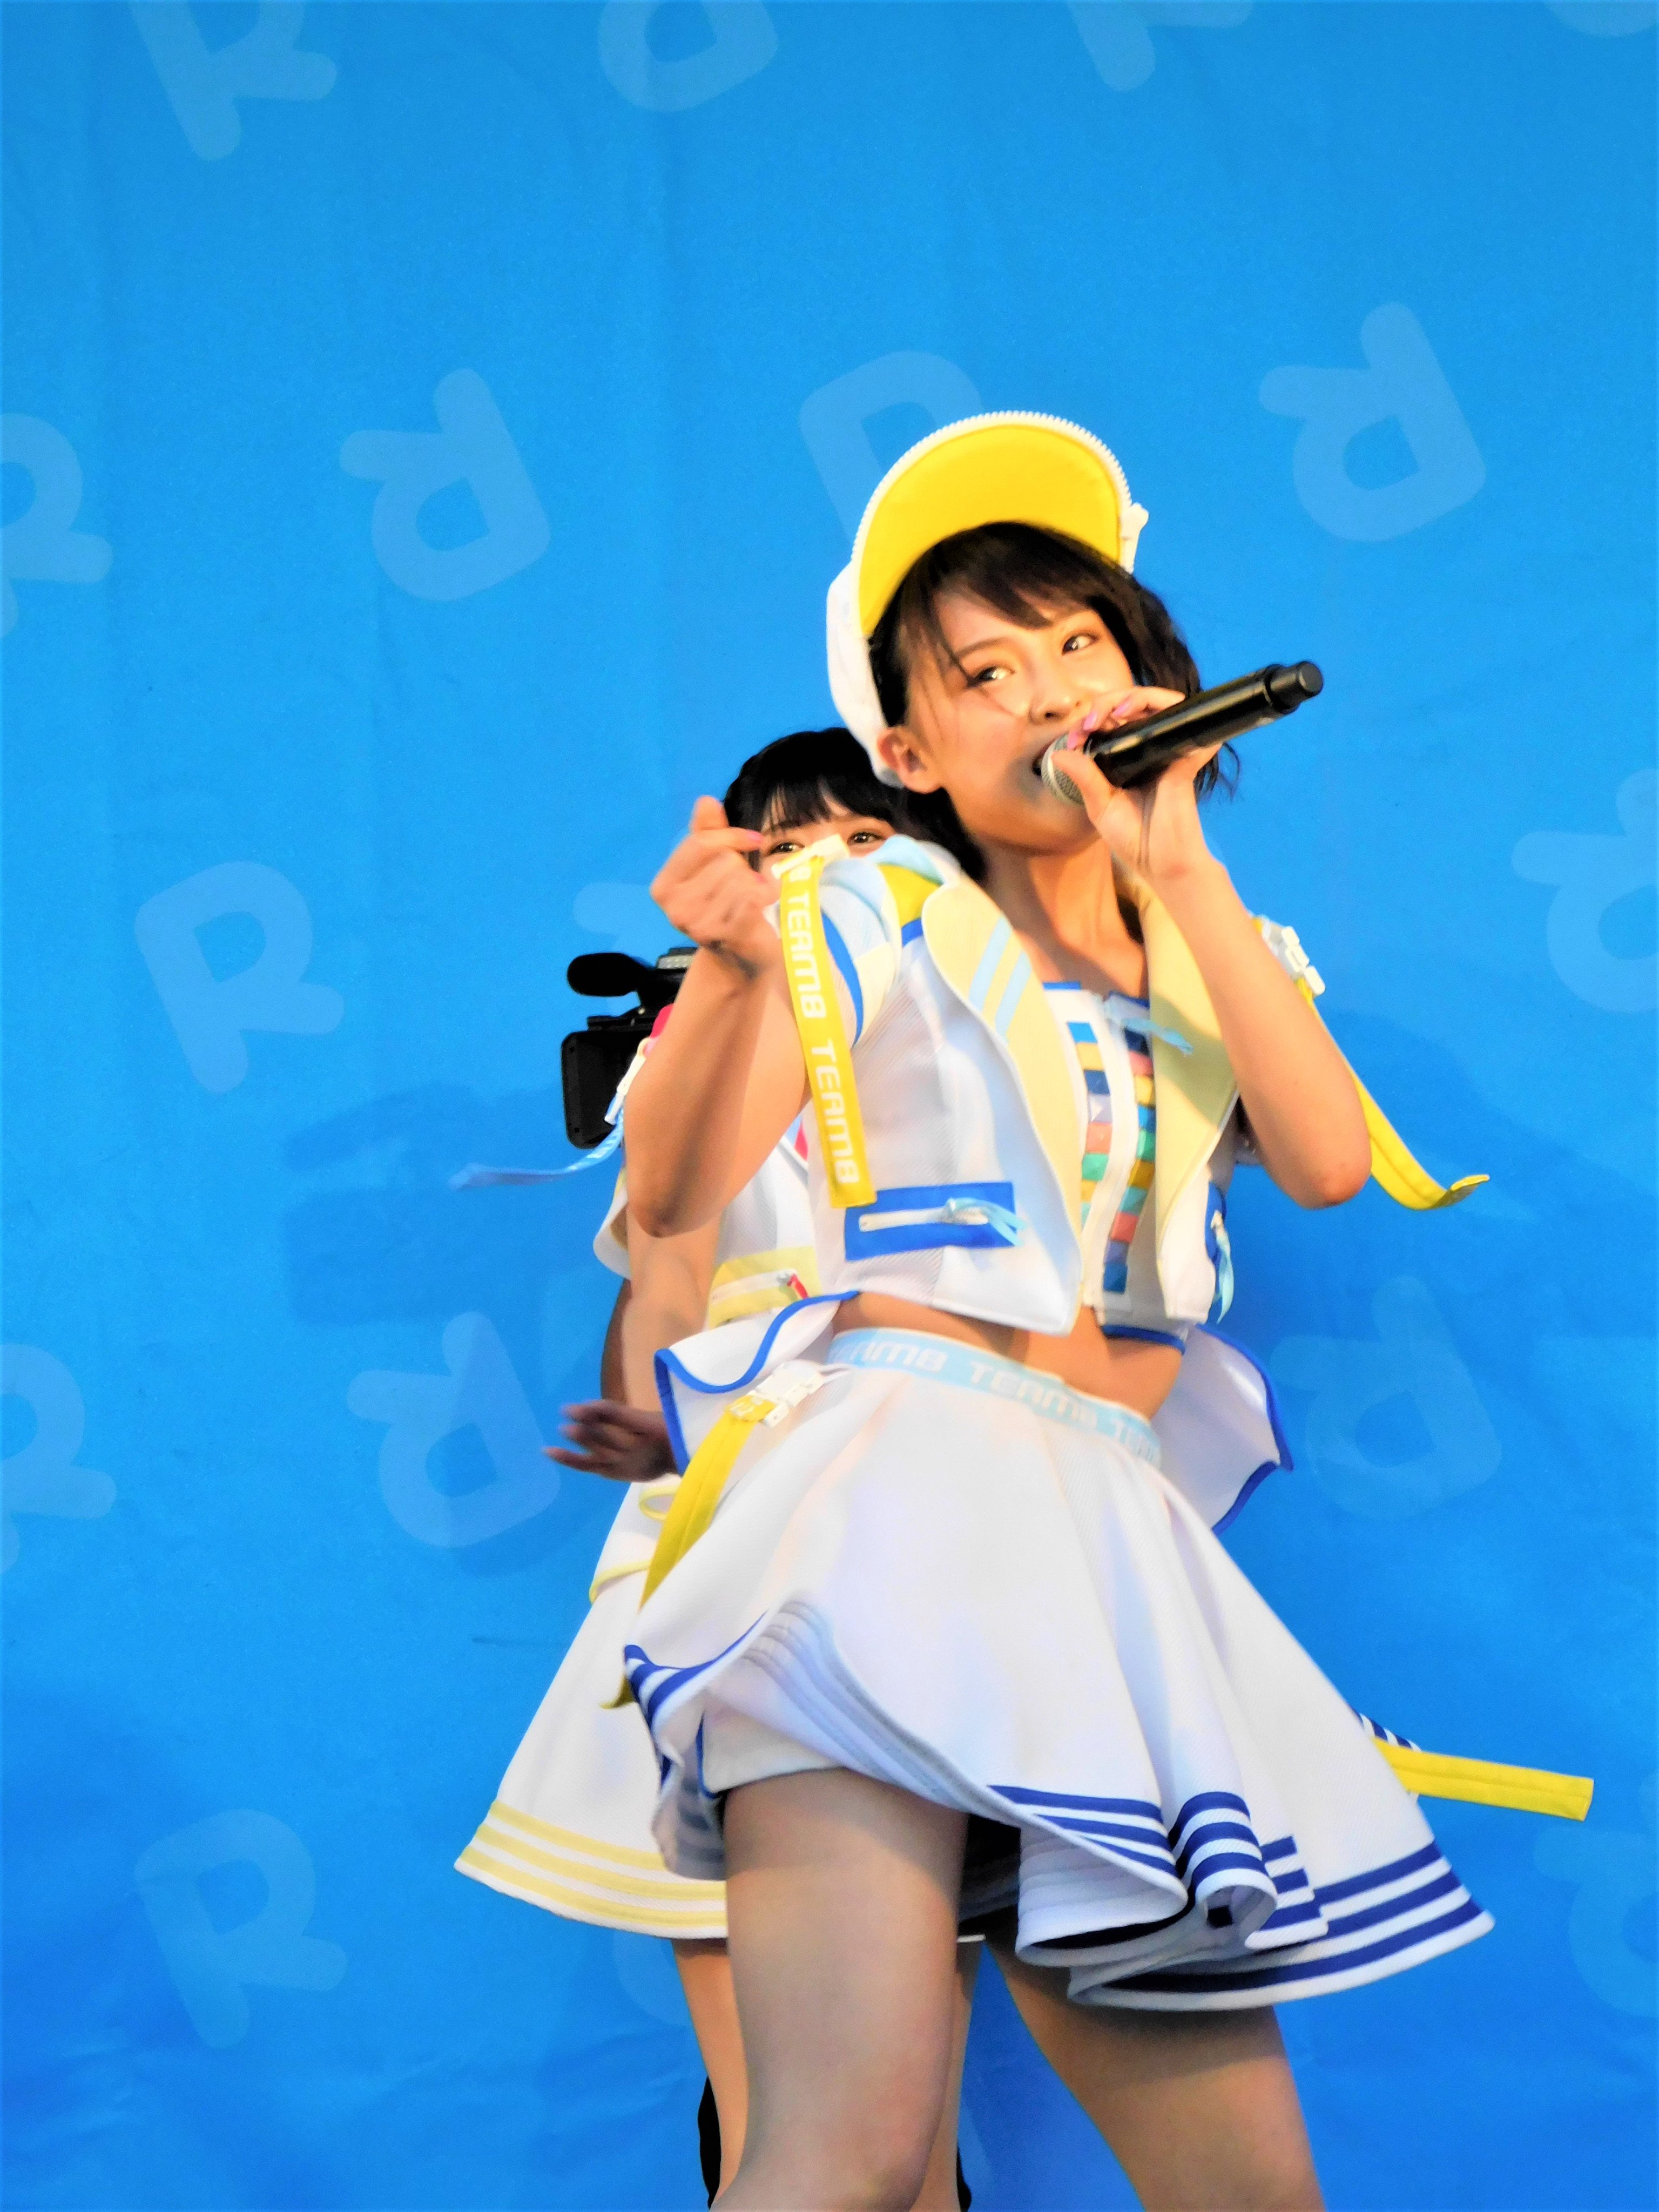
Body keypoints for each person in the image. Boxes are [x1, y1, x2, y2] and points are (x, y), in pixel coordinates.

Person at [619, 414, 1505, 2211]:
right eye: (985, 672)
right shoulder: (868, 910)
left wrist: (1177, 866)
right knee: (848, 2157)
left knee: (1253, 2196)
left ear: (1153, 682)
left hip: (1107, 1552)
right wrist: (724, 975)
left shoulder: (1219, 949)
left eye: (1080, 645)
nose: (1049, 692)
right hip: (883, 1526)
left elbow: (1328, 1161)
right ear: (907, 751)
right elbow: (678, 1195)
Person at [457, 729, 977, 2208]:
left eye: (868, 841)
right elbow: (665, 1300)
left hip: (937, 1545)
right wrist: (660, 1404)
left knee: (908, 2146)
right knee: (778, 2138)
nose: (832, 875)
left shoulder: (986, 1055)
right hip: (727, 1552)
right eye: (791, 850)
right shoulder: (693, 1059)